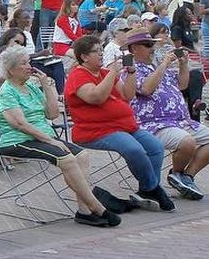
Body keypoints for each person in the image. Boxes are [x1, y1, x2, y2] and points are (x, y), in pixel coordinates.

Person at [0, 46, 122, 224]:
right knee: (67, 159)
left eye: (29, 62)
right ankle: (97, 207)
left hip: (43, 136)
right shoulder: (7, 91)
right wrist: (50, 140)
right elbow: (20, 124)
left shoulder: (30, 86)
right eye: (24, 64)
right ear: (11, 69)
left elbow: (52, 114)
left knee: (82, 155)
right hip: (18, 140)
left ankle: (84, 211)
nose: (29, 67)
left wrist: (46, 86)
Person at [64, 34, 173, 211]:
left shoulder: (105, 73)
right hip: (96, 130)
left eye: (101, 50)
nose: (101, 54)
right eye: (96, 51)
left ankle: (147, 189)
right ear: (84, 57)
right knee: (134, 149)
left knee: (155, 147)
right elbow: (96, 97)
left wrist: (131, 73)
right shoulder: (78, 75)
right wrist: (114, 72)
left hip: (124, 126)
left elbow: (127, 95)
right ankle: (153, 189)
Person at [121, 28, 207, 200]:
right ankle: (177, 174)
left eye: (152, 44)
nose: (152, 48)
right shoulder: (130, 70)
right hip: (153, 125)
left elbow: (182, 85)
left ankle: (185, 176)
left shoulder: (155, 66)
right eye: (147, 45)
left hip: (181, 121)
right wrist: (165, 63)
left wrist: (183, 64)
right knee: (187, 142)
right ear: (134, 48)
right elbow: (146, 89)